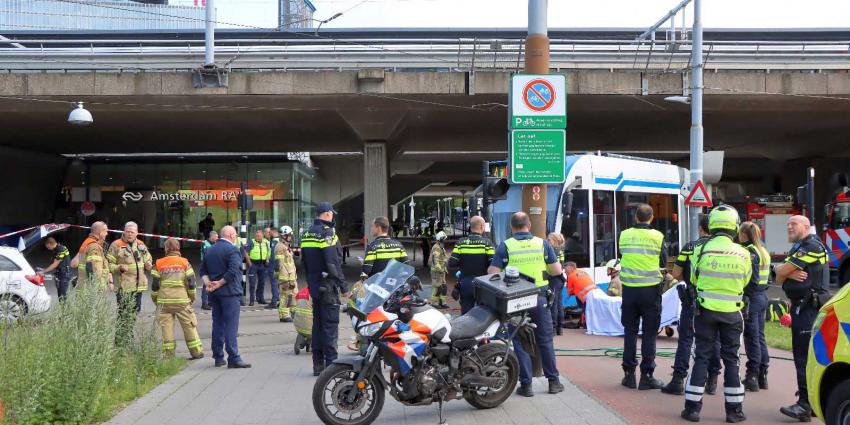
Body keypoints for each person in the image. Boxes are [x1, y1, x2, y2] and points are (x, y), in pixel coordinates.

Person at [681, 205, 751, 423]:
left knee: (701, 356)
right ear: (735, 226)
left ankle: (692, 409)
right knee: (732, 360)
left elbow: (693, 279)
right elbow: (746, 280)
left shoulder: (701, 250)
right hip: (732, 314)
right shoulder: (744, 252)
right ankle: (734, 411)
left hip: (705, 312)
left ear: (711, 225)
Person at [488, 212, 564, 397]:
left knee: (519, 341)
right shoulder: (542, 244)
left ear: (512, 227)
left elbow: (492, 272)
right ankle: (553, 382)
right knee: (545, 340)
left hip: (515, 300)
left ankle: (526, 385)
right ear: (528, 225)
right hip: (538, 297)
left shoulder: (506, 245)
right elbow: (556, 270)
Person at [775, 215, 828, 421]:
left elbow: (781, 271)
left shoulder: (811, 246)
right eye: (788, 223)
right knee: (807, 357)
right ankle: (812, 403)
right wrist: (786, 272)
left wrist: (786, 271)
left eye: (793, 224)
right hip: (802, 307)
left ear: (806, 226)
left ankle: (805, 404)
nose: (789, 226)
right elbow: (778, 275)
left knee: (803, 358)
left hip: (808, 309)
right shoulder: (800, 246)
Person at [663, 215, 722, 396]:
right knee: (714, 339)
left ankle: (679, 379)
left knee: (686, 338)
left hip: (692, 299)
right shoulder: (722, 248)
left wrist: (688, 280)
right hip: (716, 300)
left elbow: (676, 273)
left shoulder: (690, 247)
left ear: (700, 229)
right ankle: (712, 378)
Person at [618, 203, 666, 390]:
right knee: (649, 333)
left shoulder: (624, 235)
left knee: (630, 332)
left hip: (629, 290)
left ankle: (629, 375)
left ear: (636, 217)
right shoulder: (658, 236)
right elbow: (663, 262)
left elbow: (621, 257)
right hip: (650, 291)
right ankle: (647, 376)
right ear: (651, 218)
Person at [301, 201, 349, 376]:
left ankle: (317, 365)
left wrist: (310, 282)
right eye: (332, 214)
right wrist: (343, 286)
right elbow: (333, 263)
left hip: (314, 285)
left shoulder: (306, 234)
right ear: (328, 214)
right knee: (330, 325)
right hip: (328, 286)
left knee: (318, 325)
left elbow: (304, 262)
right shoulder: (327, 233)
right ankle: (332, 366)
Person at [200, 225, 250, 369]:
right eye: (234, 235)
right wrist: (220, 283)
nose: (235, 238)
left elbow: (202, 270)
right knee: (231, 326)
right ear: (230, 235)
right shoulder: (232, 250)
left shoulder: (209, 250)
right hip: (230, 293)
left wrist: (209, 283)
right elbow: (233, 270)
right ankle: (233, 357)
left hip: (215, 294)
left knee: (217, 324)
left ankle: (218, 357)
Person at [151, 238, 203, 360]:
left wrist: (155, 299)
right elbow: (191, 284)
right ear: (178, 248)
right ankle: (196, 352)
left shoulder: (159, 263)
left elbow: (155, 285)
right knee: (189, 326)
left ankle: (169, 356)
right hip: (182, 302)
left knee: (166, 329)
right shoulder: (185, 263)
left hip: (164, 302)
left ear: (166, 249)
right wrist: (191, 298)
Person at [738, 221, 771, 393]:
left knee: (752, 338)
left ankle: (752, 376)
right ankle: (762, 375)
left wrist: (745, 296)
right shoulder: (763, 250)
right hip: (763, 296)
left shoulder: (750, 252)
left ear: (744, 234)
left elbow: (753, 279)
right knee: (760, 336)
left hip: (753, 297)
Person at [448, 215, 494, 314]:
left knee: (466, 314)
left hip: (465, 284)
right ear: (482, 226)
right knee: (483, 313)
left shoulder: (460, 243)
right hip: (483, 285)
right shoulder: (487, 244)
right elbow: (493, 265)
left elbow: (452, 263)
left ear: (470, 226)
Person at [76, 221, 111, 290]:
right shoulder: (94, 247)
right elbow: (96, 270)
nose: (107, 234)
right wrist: (100, 287)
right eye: (106, 231)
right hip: (92, 290)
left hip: (84, 286)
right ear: (100, 233)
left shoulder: (87, 242)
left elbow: (74, 264)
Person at [275, 225, 298, 322]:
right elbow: (278, 264)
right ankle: (284, 315)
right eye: (289, 235)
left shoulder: (286, 246)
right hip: (285, 277)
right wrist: (283, 279)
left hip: (291, 277)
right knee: (285, 295)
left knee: (294, 294)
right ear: (284, 236)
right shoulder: (280, 247)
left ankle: (293, 312)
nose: (290, 237)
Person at [564, 261, 597, 329]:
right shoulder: (582, 271)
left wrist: (569, 293)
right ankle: (591, 323)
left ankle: (586, 324)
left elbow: (570, 291)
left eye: (565, 269)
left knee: (585, 310)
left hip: (586, 296)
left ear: (571, 268)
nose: (565, 272)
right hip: (595, 292)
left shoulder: (570, 276)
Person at [244, 230, 271, 306]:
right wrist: (249, 263)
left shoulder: (266, 242)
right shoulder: (251, 242)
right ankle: (252, 300)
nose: (258, 237)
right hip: (253, 264)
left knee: (262, 282)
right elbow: (246, 253)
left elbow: (269, 251)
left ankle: (260, 298)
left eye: (259, 236)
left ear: (262, 236)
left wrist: (267, 259)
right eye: (257, 236)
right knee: (252, 283)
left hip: (262, 264)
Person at [547, 233, 567, 335]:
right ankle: (560, 327)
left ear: (553, 240)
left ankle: (553, 329)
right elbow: (562, 266)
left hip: (554, 279)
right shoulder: (560, 251)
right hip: (560, 280)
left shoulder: (552, 250)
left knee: (553, 305)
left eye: (549, 240)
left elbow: (552, 267)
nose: (547, 241)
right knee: (559, 304)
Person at [429, 231, 449, 309]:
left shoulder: (441, 246)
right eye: (443, 239)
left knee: (444, 287)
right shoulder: (436, 247)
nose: (445, 240)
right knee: (437, 288)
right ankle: (434, 303)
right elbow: (435, 260)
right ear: (440, 239)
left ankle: (442, 303)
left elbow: (443, 258)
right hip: (437, 272)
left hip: (441, 271)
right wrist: (439, 269)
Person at [200, 231, 218, 310]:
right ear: (211, 237)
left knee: (214, 284)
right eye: (216, 236)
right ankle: (204, 303)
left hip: (214, 266)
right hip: (206, 266)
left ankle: (211, 302)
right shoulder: (205, 244)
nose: (217, 238)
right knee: (206, 284)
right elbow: (207, 254)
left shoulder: (215, 244)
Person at [264, 228, 282, 311]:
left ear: (274, 232)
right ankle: (279, 300)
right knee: (279, 283)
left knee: (274, 283)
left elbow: (273, 255)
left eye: (269, 232)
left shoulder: (274, 241)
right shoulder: (281, 240)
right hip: (280, 265)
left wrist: (271, 265)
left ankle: (274, 301)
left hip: (274, 265)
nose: (268, 234)